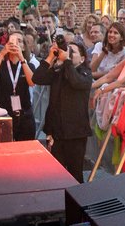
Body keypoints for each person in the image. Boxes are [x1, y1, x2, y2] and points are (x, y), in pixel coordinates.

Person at [32, 36, 95, 177]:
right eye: (67, 51)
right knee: (57, 174)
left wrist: (66, 61)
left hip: (76, 133)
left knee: (75, 174)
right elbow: (37, 78)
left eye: (73, 52)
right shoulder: (58, 72)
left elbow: (75, 82)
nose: (69, 54)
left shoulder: (85, 74)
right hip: (57, 131)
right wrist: (50, 57)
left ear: (83, 59)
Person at [0, 32, 39, 141]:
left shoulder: (28, 65)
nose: (16, 44)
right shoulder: (1, 65)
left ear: (23, 46)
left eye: (19, 41)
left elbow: (32, 82)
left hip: (25, 115)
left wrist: (22, 58)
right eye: (13, 41)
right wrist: (2, 54)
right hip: (5, 115)